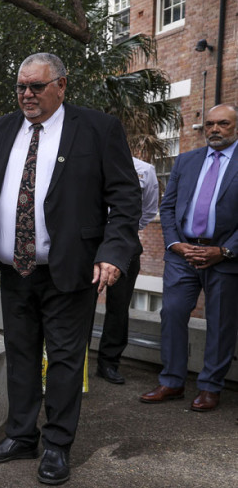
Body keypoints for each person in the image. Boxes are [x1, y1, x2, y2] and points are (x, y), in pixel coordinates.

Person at [0, 53, 140, 485]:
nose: (27, 95)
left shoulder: (97, 129)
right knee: (19, 354)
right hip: (15, 269)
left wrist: (113, 253)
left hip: (71, 268)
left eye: (36, 86)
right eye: (21, 87)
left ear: (61, 85)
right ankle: (20, 436)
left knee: (65, 359)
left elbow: (126, 198)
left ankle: (57, 444)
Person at [140, 104, 238, 412]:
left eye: (223, 123)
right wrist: (175, 244)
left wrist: (224, 250)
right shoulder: (186, 160)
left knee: (220, 323)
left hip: (224, 257)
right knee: (171, 313)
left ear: (235, 126)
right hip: (182, 254)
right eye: (209, 124)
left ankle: (210, 387)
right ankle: (172, 381)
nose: (214, 129)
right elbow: (168, 207)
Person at [95, 154, 159, 384]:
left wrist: (122, 232)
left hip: (124, 246)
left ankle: (109, 363)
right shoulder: (88, 161)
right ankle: (74, 364)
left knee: (118, 307)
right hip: (87, 243)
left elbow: (149, 210)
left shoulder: (145, 170)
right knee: (78, 305)